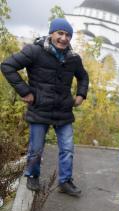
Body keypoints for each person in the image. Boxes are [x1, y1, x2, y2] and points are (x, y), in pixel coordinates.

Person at [1, 18, 89, 197]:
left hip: (64, 110)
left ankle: (65, 181)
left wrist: (81, 94)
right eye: (60, 33)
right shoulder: (34, 51)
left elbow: (83, 77)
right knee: (36, 148)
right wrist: (25, 91)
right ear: (51, 33)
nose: (64, 38)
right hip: (40, 108)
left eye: (68, 35)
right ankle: (32, 175)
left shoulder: (73, 58)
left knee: (67, 149)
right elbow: (7, 66)